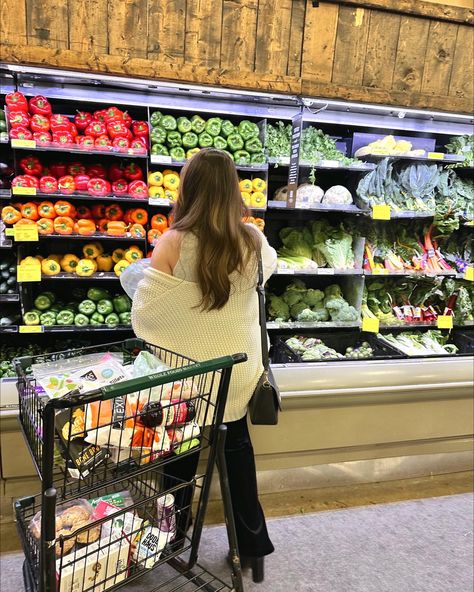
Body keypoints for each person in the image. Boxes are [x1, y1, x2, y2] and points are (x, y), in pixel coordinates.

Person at [131, 148, 276, 583]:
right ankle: (253, 547)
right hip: (238, 372)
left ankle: (173, 538)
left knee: (178, 456)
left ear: (187, 188)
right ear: (233, 190)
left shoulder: (173, 241)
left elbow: (148, 314)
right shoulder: (253, 239)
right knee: (238, 455)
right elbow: (267, 274)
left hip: (188, 380)